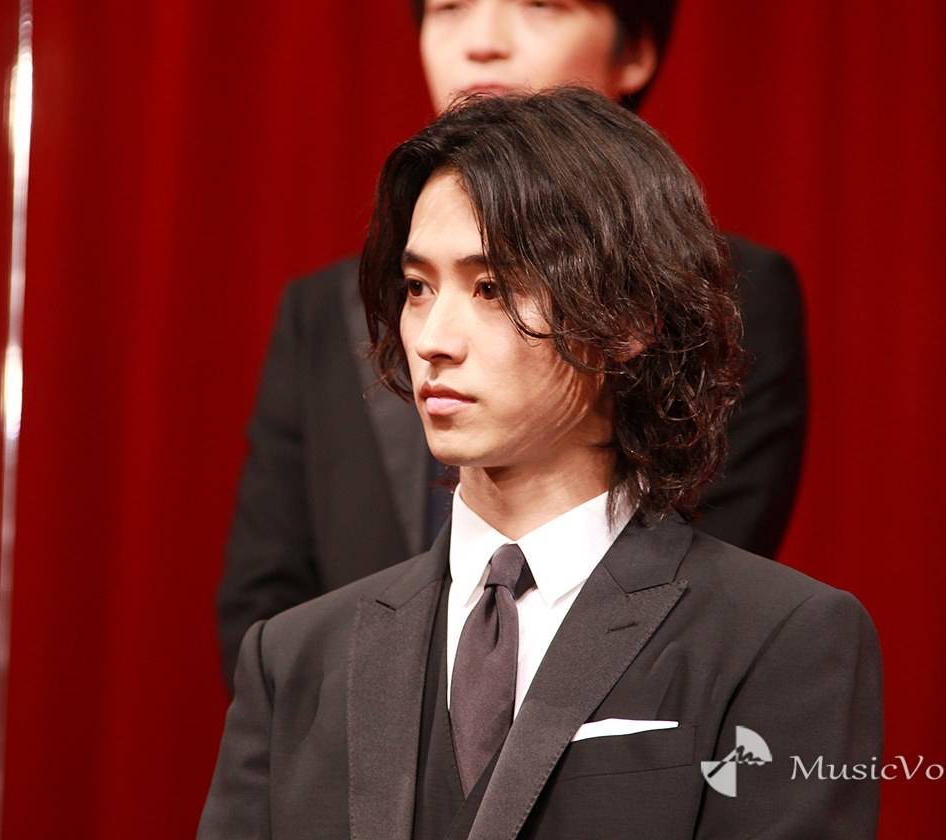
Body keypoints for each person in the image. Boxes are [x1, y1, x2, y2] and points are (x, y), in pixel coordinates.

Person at [199, 89, 880, 839]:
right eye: (418, 288)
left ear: (627, 319)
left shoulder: (779, 637)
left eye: (491, 288)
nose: (433, 339)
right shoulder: (293, 656)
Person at [217, 0, 808, 689]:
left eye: (539, 5)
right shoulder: (323, 309)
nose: (484, 43)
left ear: (635, 53)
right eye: (450, 7)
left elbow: (705, 591)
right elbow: (268, 611)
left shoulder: (727, 292)